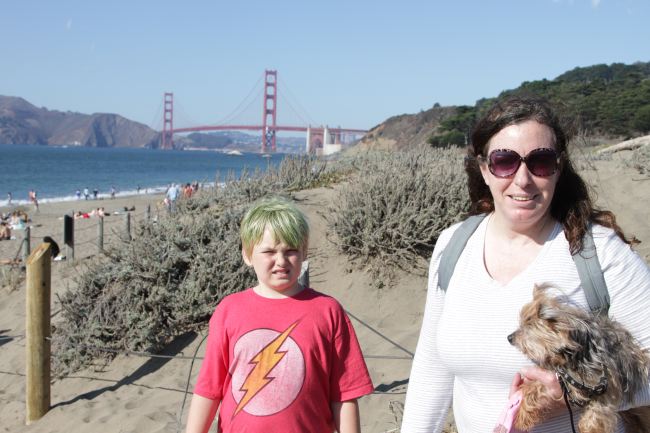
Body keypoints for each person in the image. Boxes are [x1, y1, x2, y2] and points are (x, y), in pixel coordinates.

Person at [400, 96, 650, 433]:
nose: (523, 179)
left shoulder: (600, 253)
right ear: (484, 169)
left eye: (540, 161)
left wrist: (575, 391)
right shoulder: (453, 245)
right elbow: (432, 369)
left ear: (558, 168)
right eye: (504, 161)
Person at [185, 196, 374, 433]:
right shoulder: (229, 309)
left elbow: (344, 395)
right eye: (269, 252)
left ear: (304, 252)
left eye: (291, 251)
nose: (281, 261)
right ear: (247, 255)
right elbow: (209, 389)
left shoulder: (328, 311)